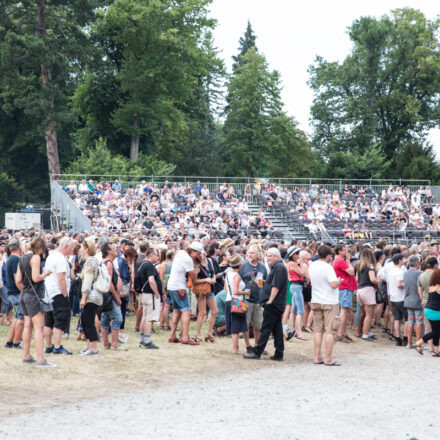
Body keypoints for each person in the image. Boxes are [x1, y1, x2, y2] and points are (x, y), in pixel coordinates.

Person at [16, 237, 55, 367]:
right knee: (39, 329)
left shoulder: (22, 259)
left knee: (28, 326)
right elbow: (36, 278)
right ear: (42, 248)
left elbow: (18, 280)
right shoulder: (36, 258)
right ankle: (40, 359)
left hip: (24, 294)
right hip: (35, 295)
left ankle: (26, 356)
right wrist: (46, 274)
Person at [244, 247, 288, 361]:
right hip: (277, 303)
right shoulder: (278, 267)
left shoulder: (278, 268)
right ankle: (279, 353)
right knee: (277, 329)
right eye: (267, 256)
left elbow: (276, 286)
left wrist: (270, 300)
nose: (268, 258)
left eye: (270, 256)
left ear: (277, 257)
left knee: (266, 328)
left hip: (273, 304)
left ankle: (257, 352)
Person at [309, 245, 343, 366]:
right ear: (328, 255)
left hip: (316, 299)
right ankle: (328, 358)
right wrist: (339, 281)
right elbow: (333, 284)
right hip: (329, 301)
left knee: (318, 330)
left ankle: (317, 356)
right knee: (330, 331)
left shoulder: (312, 265)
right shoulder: (328, 267)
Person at [167, 242, 204, 345]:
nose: (199, 256)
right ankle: (185, 337)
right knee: (186, 310)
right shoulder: (188, 259)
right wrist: (198, 266)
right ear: (192, 251)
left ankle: (173, 336)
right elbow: (193, 277)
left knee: (177, 311)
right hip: (179, 287)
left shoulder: (181, 253)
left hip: (172, 286)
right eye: (198, 254)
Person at [44, 237, 73, 355]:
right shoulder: (61, 259)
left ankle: (49, 346)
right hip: (58, 292)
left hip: (49, 292)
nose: (71, 250)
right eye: (70, 247)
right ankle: (57, 346)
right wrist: (65, 294)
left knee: (49, 320)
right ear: (66, 247)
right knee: (59, 319)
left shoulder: (51, 256)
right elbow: (61, 278)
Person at [239, 244, 267, 346]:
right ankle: (248, 345)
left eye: (252, 253)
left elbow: (266, 281)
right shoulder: (244, 266)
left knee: (258, 325)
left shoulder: (262, 267)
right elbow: (238, 280)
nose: (250, 255)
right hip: (245, 299)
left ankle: (257, 345)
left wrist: (263, 282)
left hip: (258, 299)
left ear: (258, 254)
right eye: (249, 253)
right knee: (245, 324)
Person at [78, 239, 101, 356]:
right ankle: (89, 346)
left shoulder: (88, 263)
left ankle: (93, 348)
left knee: (88, 321)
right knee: (86, 320)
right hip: (95, 295)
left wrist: (83, 297)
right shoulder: (94, 261)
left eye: (82, 248)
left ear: (86, 248)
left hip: (90, 296)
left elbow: (87, 281)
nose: (80, 250)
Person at [224, 255, 250, 354]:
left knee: (239, 325)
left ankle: (237, 347)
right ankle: (235, 348)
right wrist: (246, 293)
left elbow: (226, 289)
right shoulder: (236, 276)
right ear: (239, 265)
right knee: (236, 326)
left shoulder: (228, 274)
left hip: (229, 300)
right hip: (237, 301)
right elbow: (235, 291)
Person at [137, 248, 162, 349]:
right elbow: (151, 280)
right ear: (151, 255)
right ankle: (147, 341)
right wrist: (156, 292)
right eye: (156, 255)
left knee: (145, 317)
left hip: (144, 294)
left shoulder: (142, 264)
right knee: (150, 319)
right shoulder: (149, 265)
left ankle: (142, 340)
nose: (157, 257)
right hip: (150, 294)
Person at [101, 242, 123, 350]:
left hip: (105, 296)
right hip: (110, 296)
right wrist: (116, 297)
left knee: (105, 318)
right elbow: (109, 283)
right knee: (117, 318)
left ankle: (106, 344)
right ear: (108, 251)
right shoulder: (108, 263)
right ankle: (114, 344)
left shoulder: (105, 262)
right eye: (113, 248)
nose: (116, 249)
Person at [332, 244, 357, 343]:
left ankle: (343, 333)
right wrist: (348, 262)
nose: (346, 251)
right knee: (344, 311)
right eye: (344, 250)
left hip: (345, 287)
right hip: (344, 287)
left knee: (346, 311)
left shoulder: (338, 260)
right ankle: (340, 333)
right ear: (339, 251)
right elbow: (351, 272)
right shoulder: (340, 261)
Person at [193, 252, 218, 343]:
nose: (199, 256)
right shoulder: (196, 265)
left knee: (215, 311)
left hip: (210, 289)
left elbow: (213, 273)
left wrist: (214, 278)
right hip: (201, 290)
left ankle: (209, 333)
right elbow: (193, 280)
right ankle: (198, 334)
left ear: (204, 253)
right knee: (202, 312)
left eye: (200, 254)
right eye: (197, 254)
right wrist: (205, 280)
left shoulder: (209, 260)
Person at [415, 269, 440, 356]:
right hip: (435, 311)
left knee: (436, 330)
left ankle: (436, 350)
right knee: (436, 331)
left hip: (428, 310)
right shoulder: (439, 288)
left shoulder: (431, 287)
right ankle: (418, 343)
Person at [4, 238, 24, 349]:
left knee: (16, 317)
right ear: (19, 247)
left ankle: (9, 342)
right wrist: (23, 291)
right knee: (21, 318)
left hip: (11, 291)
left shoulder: (10, 259)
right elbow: (17, 279)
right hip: (17, 292)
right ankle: (16, 343)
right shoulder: (15, 260)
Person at [355, 248, 379, 341]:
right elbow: (373, 279)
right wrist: (378, 282)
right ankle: (365, 334)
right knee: (369, 314)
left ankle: (366, 331)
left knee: (364, 313)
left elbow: (357, 279)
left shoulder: (359, 266)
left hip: (360, 290)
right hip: (368, 290)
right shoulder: (370, 266)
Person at [286, 246, 307, 340]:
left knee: (294, 309)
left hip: (294, 286)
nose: (298, 255)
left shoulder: (289, 263)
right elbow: (302, 273)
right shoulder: (293, 263)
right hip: (297, 286)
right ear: (292, 255)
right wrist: (301, 264)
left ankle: (294, 330)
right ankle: (299, 333)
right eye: (297, 253)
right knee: (300, 310)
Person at [403, 256, 423, 348]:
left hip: (408, 299)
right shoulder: (420, 273)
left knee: (410, 321)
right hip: (417, 299)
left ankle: (409, 343)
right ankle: (418, 343)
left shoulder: (405, 273)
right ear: (417, 263)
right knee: (419, 321)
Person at [388, 253, 406, 346]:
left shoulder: (391, 271)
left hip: (393, 297)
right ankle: (406, 338)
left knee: (397, 318)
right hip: (400, 297)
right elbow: (399, 284)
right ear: (400, 261)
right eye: (402, 259)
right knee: (406, 319)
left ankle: (398, 338)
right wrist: (405, 286)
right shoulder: (400, 272)